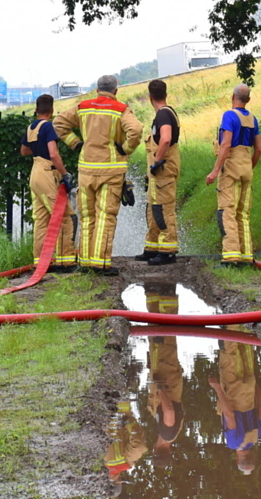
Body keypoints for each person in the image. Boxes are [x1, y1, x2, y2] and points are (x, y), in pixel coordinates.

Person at [54, 75, 142, 275]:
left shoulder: (82, 107)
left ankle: (85, 262)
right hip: (110, 171)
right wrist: (125, 149)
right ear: (115, 91)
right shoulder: (120, 109)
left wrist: (76, 143)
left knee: (87, 216)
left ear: (97, 89)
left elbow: (58, 123)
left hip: (86, 169)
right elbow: (135, 130)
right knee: (106, 216)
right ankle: (100, 263)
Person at [205, 83, 261, 266]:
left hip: (231, 170)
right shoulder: (253, 119)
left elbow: (226, 144)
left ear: (233, 97)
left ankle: (231, 257)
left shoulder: (229, 116)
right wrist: (248, 167)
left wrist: (215, 171)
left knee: (227, 212)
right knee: (243, 214)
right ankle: (246, 256)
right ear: (248, 100)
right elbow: (259, 149)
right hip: (246, 168)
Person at [20, 94, 77, 271]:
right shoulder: (49, 127)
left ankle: (40, 260)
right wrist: (64, 173)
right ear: (51, 111)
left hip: (35, 172)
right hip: (46, 172)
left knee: (41, 219)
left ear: (36, 109)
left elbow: (24, 151)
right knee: (64, 215)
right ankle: (64, 260)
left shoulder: (31, 127)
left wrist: (38, 148)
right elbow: (53, 154)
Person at [135, 79, 181, 266]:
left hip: (163, 170)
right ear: (166, 94)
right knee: (153, 209)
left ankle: (167, 251)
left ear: (149, 97)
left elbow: (166, 139)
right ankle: (152, 248)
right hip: (157, 174)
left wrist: (156, 161)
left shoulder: (163, 115)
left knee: (164, 210)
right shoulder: (165, 113)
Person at [209, 336, 261, 476]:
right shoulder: (233, 443)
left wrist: (253, 386)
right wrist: (217, 388)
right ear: (237, 460)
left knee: (246, 352)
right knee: (230, 357)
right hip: (234, 396)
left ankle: (244, 324)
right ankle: (231, 324)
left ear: (253, 457)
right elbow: (229, 414)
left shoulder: (256, 437)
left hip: (249, 393)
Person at [144, 282, 185, 468]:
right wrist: (160, 389)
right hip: (167, 379)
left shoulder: (170, 434)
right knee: (165, 340)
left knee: (156, 339)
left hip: (164, 377)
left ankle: (153, 296)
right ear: (155, 450)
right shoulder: (167, 434)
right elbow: (168, 410)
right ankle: (167, 296)